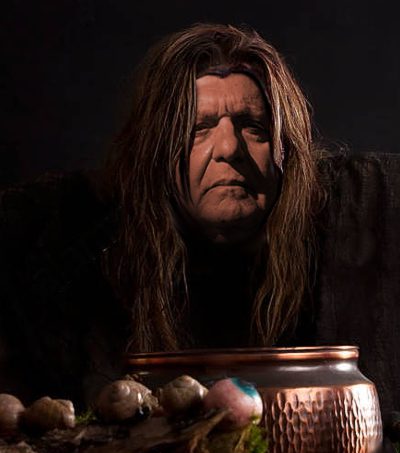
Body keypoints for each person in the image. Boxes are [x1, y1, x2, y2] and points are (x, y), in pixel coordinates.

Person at [1, 23, 400, 423]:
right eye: (199, 129)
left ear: (287, 149)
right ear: (158, 151)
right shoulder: (69, 235)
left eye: (254, 127)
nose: (229, 148)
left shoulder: (361, 208)